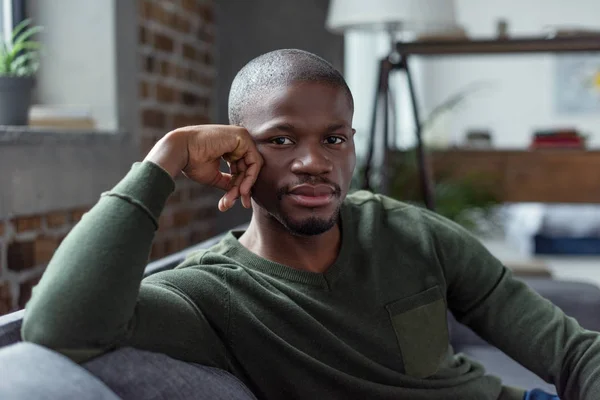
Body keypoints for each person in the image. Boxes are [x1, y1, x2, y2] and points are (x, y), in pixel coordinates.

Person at [21, 49, 599, 400]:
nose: (314, 161)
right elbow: (60, 326)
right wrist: (164, 158)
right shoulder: (209, 294)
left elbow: (573, 354)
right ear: (234, 154)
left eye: (334, 139)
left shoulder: (408, 232)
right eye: (280, 139)